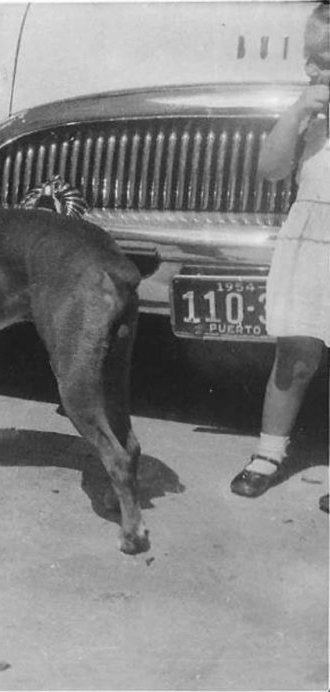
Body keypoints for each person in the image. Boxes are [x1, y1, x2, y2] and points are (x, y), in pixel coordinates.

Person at [230, 2, 330, 512]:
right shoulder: (308, 117)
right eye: (313, 59)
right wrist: (297, 113)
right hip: (312, 240)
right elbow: (270, 170)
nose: (316, 71)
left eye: (328, 61)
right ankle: (269, 453)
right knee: (295, 354)